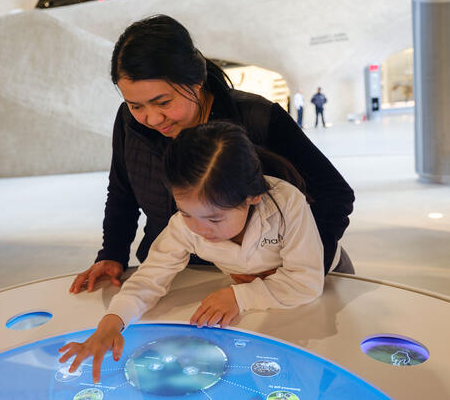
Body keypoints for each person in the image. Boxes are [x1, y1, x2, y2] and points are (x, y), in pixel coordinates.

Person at [69, 14, 354, 296]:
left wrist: (293, 268)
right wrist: (113, 253)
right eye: (135, 105)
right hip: (180, 279)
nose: (152, 118)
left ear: (197, 81)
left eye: (163, 102)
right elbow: (122, 192)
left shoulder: (257, 118)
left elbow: (334, 195)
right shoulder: (130, 123)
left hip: (281, 283)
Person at [59, 122, 325, 382]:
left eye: (215, 219)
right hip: (268, 296)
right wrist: (111, 323)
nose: (199, 229)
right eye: (186, 213)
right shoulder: (184, 227)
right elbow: (149, 278)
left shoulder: (287, 203)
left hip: (327, 282)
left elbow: (307, 280)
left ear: (252, 197)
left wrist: (239, 295)